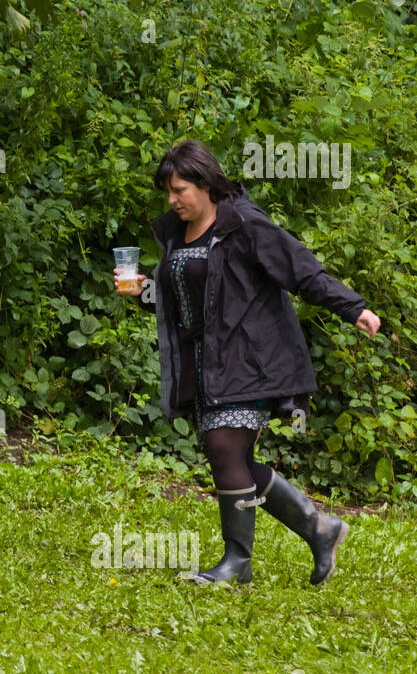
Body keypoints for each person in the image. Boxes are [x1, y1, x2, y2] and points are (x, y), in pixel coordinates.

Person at [115, 140, 381, 586]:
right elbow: (187, 302)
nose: (171, 200)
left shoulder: (245, 225)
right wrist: (145, 291)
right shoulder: (178, 236)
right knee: (232, 457)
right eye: (168, 191)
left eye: (179, 189)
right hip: (205, 363)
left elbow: (301, 269)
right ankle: (320, 529)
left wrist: (353, 308)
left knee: (224, 449)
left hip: (251, 358)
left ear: (205, 184)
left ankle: (238, 562)